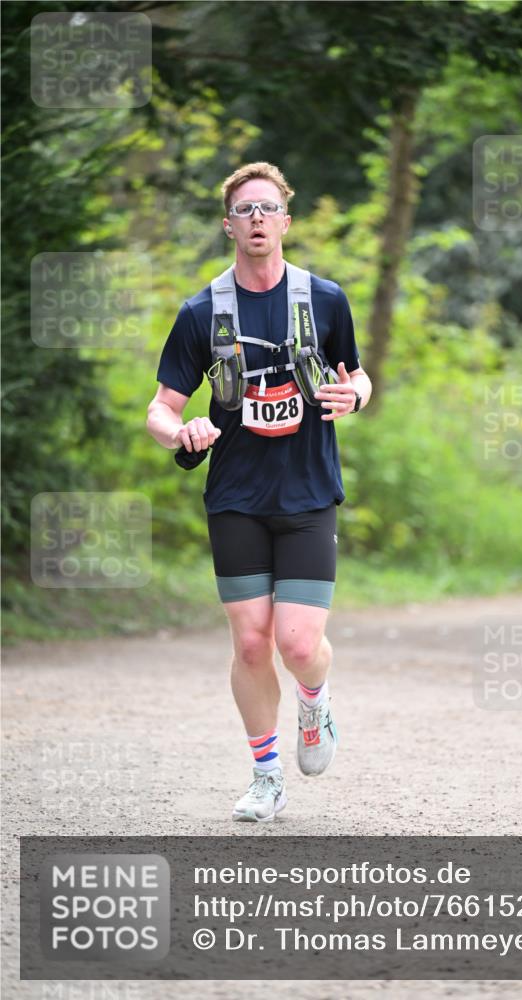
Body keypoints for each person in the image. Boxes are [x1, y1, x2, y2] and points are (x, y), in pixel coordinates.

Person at [146, 162, 371, 822]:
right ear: (228, 225)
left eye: (267, 208)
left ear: (285, 221)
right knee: (250, 644)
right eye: (244, 210)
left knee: (298, 645)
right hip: (236, 497)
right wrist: (181, 431)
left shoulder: (324, 299)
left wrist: (353, 397)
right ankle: (266, 776)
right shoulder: (201, 312)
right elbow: (159, 408)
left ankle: (315, 701)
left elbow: (358, 376)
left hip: (307, 494)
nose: (256, 220)